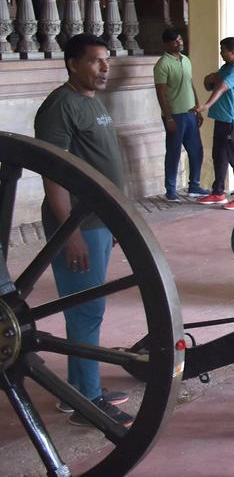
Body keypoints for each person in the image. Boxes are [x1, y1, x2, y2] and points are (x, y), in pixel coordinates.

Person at [34, 34, 134, 428]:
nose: (104, 68)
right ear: (73, 63)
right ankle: (85, 401)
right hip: (77, 224)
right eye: (95, 61)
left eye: (106, 60)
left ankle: (80, 388)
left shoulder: (91, 102)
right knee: (85, 309)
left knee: (89, 309)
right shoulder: (60, 107)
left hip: (98, 221)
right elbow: (52, 175)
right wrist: (69, 233)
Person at [193, 37, 234, 211]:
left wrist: (206, 105)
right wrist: (209, 79)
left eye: (223, 50)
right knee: (219, 156)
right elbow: (210, 83)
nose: (221, 53)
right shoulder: (227, 67)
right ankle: (218, 192)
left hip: (232, 120)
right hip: (221, 119)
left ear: (233, 52)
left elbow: (220, 88)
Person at [153, 29, 208, 202]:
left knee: (196, 151)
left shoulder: (186, 60)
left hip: (190, 113)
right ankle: (170, 190)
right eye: (175, 41)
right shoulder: (162, 64)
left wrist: (198, 108)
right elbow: (160, 93)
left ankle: (194, 186)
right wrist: (168, 117)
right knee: (174, 153)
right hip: (175, 115)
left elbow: (190, 84)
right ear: (167, 44)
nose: (179, 43)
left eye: (180, 39)